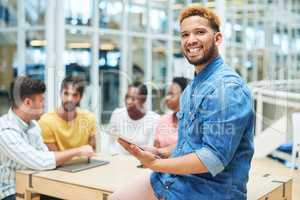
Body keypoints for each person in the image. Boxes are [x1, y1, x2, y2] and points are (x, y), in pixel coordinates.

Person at [110, 5, 254, 200]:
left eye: (200, 32)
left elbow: (212, 158)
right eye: (185, 35)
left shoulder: (227, 89)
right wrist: (161, 152)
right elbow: (192, 142)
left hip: (210, 192)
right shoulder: (193, 86)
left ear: (218, 38)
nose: (191, 40)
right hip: (176, 181)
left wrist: (155, 164)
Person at [0, 77, 94, 200]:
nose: (44, 104)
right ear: (28, 102)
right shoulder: (5, 129)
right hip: (12, 191)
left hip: (36, 185)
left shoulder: (33, 125)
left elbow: (46, 156)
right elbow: (41, 161)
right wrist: (78, 151)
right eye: (41, 100)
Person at [38, 76, 97, 151]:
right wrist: (79, 152)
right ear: (60, 94)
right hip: (59, 163)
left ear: (80, 97)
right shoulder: (46, 121)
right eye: (66, 93)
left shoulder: (89, 118)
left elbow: (92, 151)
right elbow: (54, 158)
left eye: (75, 95)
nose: (70, 99)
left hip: (85, 162)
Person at [106, 82, 159, 155]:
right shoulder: (117, 114)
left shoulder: (154, 119)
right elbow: (110, 144)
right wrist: (115, 157)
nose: (128, 101)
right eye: (127, 97)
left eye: (133, 98)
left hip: (142, 162)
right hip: (119, 160)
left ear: (143, 100)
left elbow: (150, 150)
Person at [154, 77, 189, 148]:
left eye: (171, 94)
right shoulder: (162, 120)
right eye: (167, 94)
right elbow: (156, 148)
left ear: (185, 96)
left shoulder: (193, 122)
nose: (167, 98)